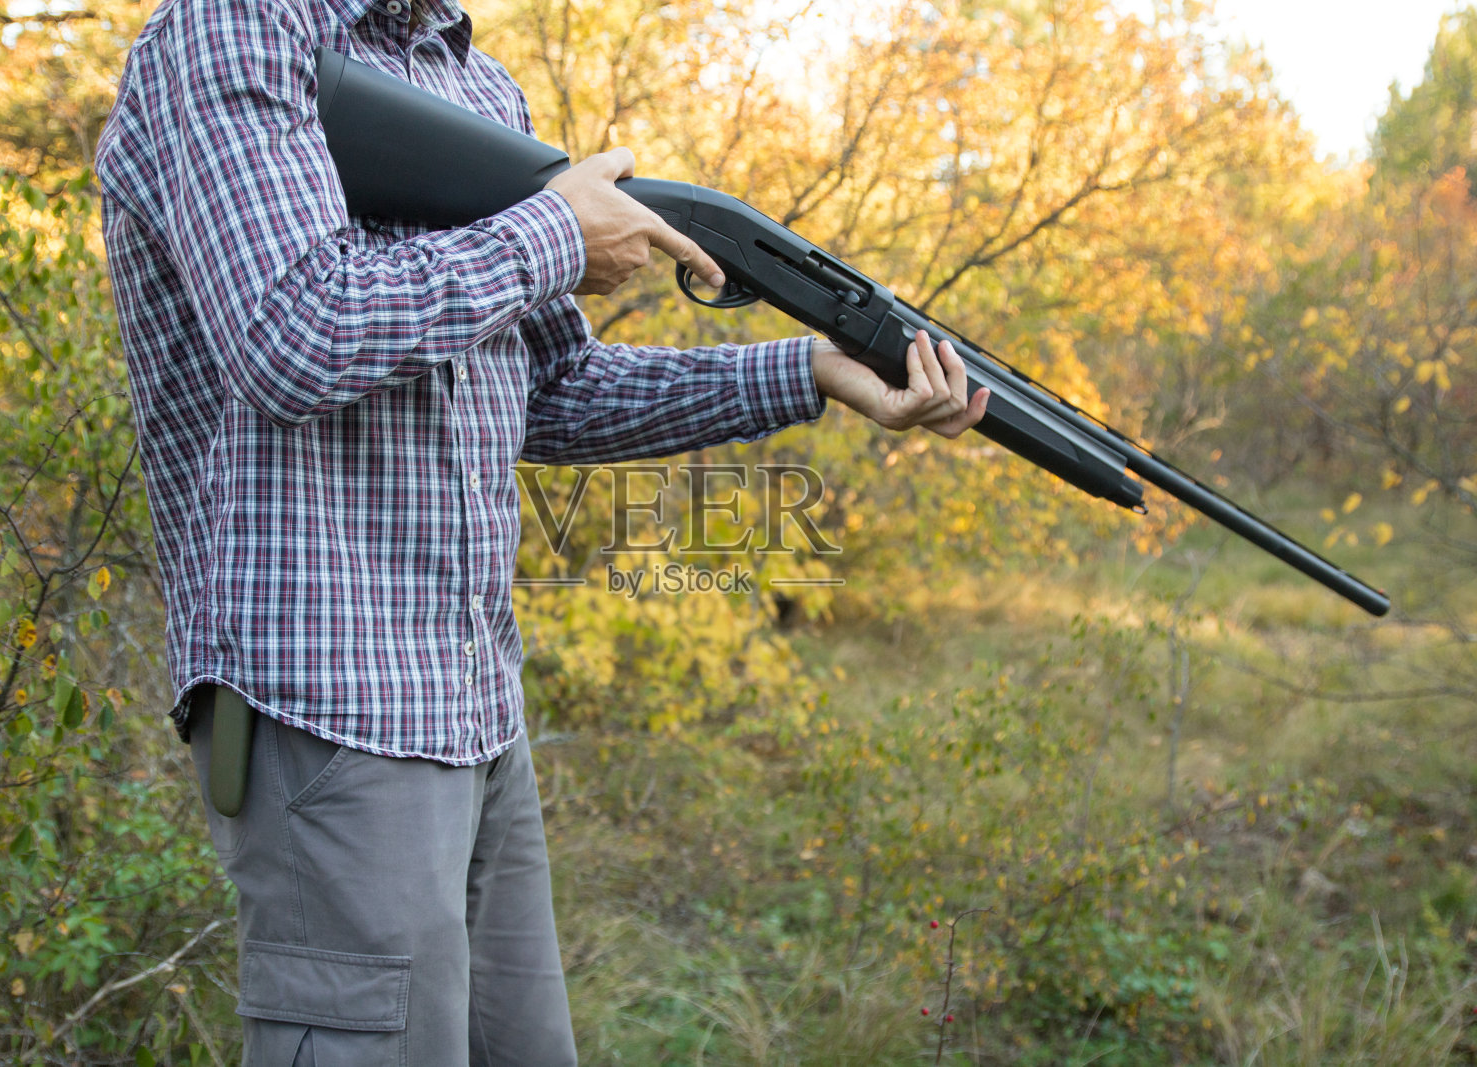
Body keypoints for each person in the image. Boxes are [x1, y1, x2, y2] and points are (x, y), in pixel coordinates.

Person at [95, 0, 988, 1062]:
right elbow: (295, 333)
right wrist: (555, 233)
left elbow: (555, 389)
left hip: (476, 709)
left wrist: (811, 370)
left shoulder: (475, 81)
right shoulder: (233, 28)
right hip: (329, 711)